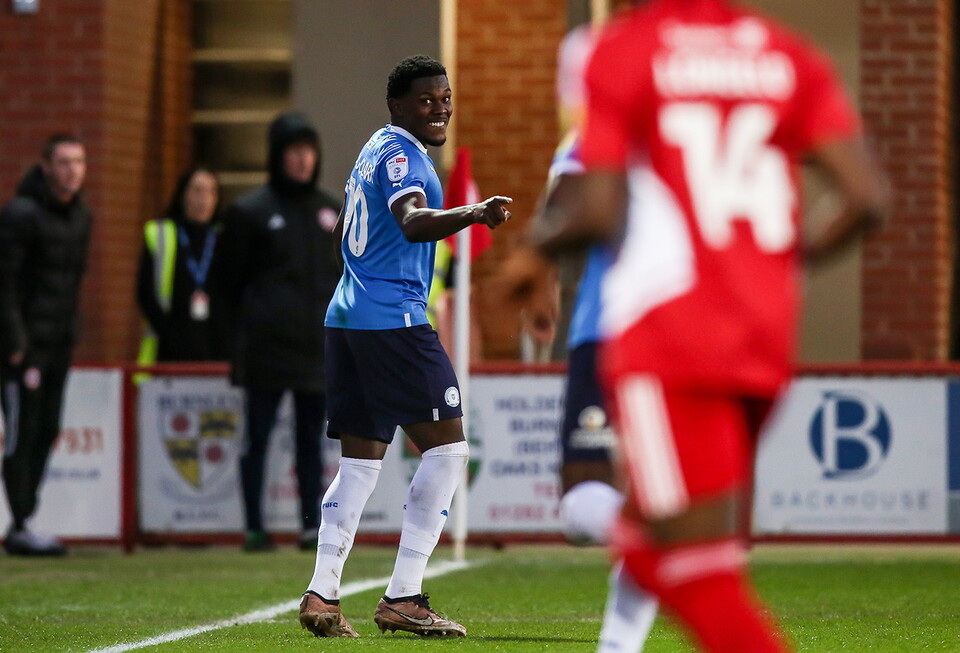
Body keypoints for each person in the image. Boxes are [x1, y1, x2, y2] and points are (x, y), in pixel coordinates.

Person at [526, 1, 889, 651]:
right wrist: (781, 265)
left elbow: (590, 204)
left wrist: (531, 257)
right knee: (666, 536)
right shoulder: (788, 56)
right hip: (763, 337)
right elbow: (866, 196)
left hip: (662, 334)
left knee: (686, 562)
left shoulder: (621, 54)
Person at [298, 55, 511, 639]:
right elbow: (413, 221)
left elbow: (345, 230)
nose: (440, 108)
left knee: (359, 464)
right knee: (448, 451)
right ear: (397, 105)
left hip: (348, 319)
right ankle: (404, 596)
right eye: (426, 100)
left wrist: (362, 280)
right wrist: (474, 212)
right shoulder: (403, 158)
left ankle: (321, 592)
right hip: (393, 321)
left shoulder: (374, 148)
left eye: (445, 98)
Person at [502, 24, 659, 653]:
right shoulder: (688, 129)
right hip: (692, 336)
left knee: (581, 503)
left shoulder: (599, 130)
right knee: (651, 496)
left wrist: (533, 264)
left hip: (613, 331)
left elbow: (574, 198)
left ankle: (652, 539)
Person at [218, 112, 342, 553]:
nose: (303, 159)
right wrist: (238, 341)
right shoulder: (249, 212)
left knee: (312, 442)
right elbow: (226, 285)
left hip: (315, 350)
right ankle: (254, 526)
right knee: (257, 439)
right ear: (277, 156)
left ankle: (310, 526)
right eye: (293, 151)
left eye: (309, 150)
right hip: (264, 352)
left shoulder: (333, 210)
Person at [0, 134, 92, 556]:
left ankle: (26, 518)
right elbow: (5, 282)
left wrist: (70, 333)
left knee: (48, 430)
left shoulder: (81, 217)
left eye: (79, 162)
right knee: (23, 433)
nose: (73, 170)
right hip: (24, 349)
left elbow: (72, 285)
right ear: (46, 167)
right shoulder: (21, 215)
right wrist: (15, 340)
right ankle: (20, 521)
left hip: (58, 345)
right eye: (64, 162)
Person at [136, 166, 232, 365]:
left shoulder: (226, 238)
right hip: (169, 348)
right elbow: (145, 292)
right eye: (197, 190)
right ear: (183, 195)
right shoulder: (161, 233)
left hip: (217, 349)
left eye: (211, 192)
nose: (204, 199)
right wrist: (169, 335)